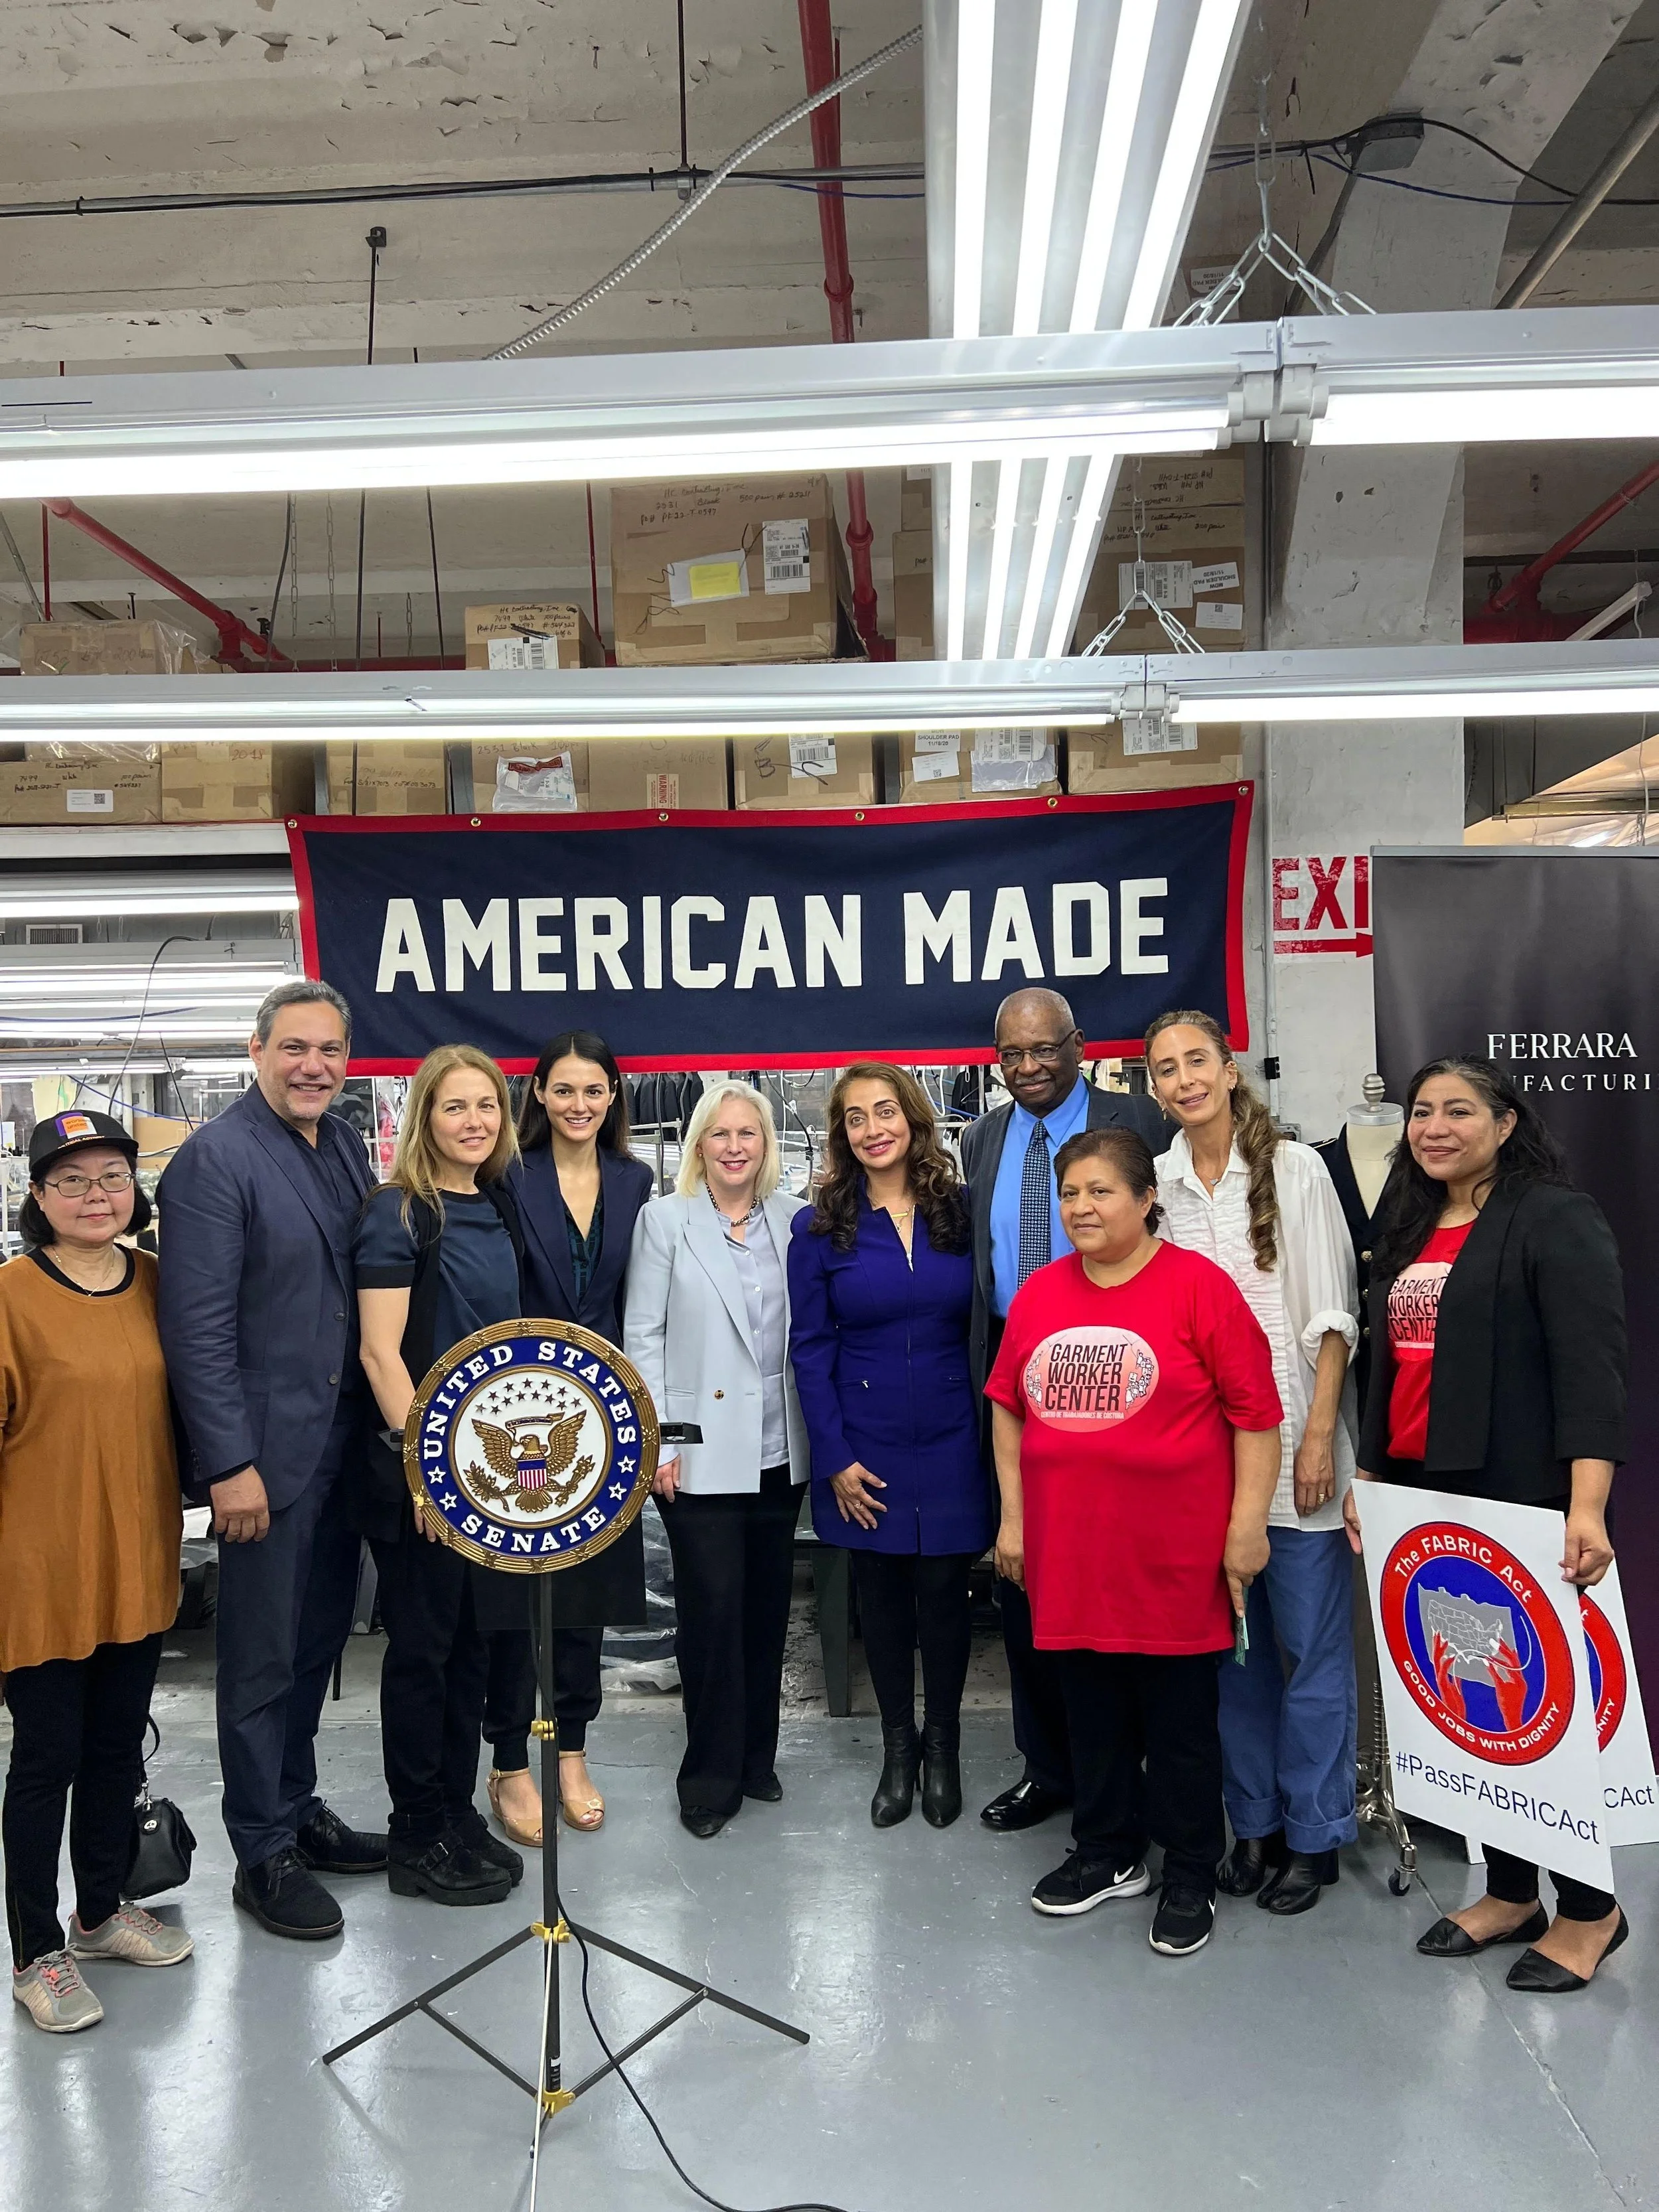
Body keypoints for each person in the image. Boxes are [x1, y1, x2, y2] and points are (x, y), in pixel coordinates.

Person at [1348, 1056, 1628, 1994]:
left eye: (1458, 1110)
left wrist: (1586, 1505)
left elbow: (1592, 1373)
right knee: (1471, 1702)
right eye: (1422, 1111)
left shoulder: (1553, 1216)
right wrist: (1370, 1476)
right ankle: (1512, 1893)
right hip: (1421, 1493)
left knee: (1543, 1705)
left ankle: (1591, 1908)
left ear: (1505, 1123)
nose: (1434, 1127)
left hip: (1520, 1492)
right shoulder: (1410, 1220)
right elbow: (1389, 1366)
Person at [985, 1127, 1282, 1957]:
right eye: (1069, 1193)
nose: (1081, 1208)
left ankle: (1189, 1869)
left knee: (1180, 1725)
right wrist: (1014, 1519)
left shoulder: (1199, 1289)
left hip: (1172, 1557)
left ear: (1147, 1200)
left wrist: (1246, 1528)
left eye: (1100, 1191)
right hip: (1070, 1553)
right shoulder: (1040, 1294)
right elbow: (1008, 1407)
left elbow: (1257, 1417)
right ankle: (1109, 1852)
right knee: (1091, 1713)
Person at [157, 980, 387, 1943]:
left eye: (329, 1050)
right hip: (265, 1456)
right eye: (294, 1047)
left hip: (341, 1443)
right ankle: (261, 1851)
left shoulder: (342, 1145)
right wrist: (228, 1464)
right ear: (256, 1051)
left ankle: (296, 1807)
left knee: (316, 1643)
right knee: (259, 1659)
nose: (313, 1067)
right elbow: (196, 1330)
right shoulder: (215, 1161)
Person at [1146, 1010, 1360, 1915]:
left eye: (1198, 1060)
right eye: (1166, 1069)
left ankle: (1315, 1837)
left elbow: (1335, 1317)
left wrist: (1318, 1437)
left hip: (1298, 1450)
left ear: (1230, 1070)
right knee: (1232, 1659)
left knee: (1310, 1652)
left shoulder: (1296, 1169)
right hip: (1205, 1468)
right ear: (1153, 1088)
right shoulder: (1154, 1185)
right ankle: (1257, 1825)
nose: (1185, 1079)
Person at [959, 986, 1169, 1834]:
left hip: (1123, 1372)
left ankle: (1132, 1769)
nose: (1028, 1067)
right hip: (1018, 1372)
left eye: (1044, 1048)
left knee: (1121, 1577)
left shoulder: (1141, 1122)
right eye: (1011, 1054)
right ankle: (1047, 1767)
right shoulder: (982, 1136)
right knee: (1022, 1579)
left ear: (1078, 1044)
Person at [2, 1112, 193, 2033]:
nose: (95, 1196)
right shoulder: (10, 1295)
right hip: (40, 1566)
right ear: (39, 1198)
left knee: (118, 1749)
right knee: (47, 1760)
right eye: (72, 1181)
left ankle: (101, 1912)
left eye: (112, 1177)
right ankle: (36, 1951)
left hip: (138, 1556)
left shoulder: (157, 1284)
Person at [788, 1065, 991, 1830]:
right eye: (855, 1118)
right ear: (841, 1134)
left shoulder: (960, 1211)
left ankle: (944, 1748)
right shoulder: (819, 1228)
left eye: (884, 1111)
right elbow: (809, 1350)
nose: (873, 1129)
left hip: (952, 1435)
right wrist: (834, 1457)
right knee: (880, 1603)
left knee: (944, 1600)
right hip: (863, 1444)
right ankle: (897, 1751)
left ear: (912, 1118)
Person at [353, 1045, 530, 1907]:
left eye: (486, 1106)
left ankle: (456, 1813)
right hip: (425, 1478)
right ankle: (415, 1835)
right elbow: (379, 1353)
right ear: (424, 1116)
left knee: (473, 1651)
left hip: (490, 1479)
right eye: (455, 1106)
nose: (474, 1121)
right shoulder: (399, 1214)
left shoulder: (498, 1205)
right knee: (424, 1654)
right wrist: (429, 1473)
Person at [624, 1082, 808, 1838]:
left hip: (779, 1447)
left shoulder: (796, 1219)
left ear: (766, 1144)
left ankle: (756, 1758)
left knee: (767, 1608)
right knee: (711, 1612)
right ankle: (707, 1778)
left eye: (748, 1133)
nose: (735, 1147)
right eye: (720, 1133)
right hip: (697, 1451)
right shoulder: (665, 1220)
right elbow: (643, 1334)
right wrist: (659, 1441)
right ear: (698, 1143)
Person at [501, 1029, 653, 1839]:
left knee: (582, 1594)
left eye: (594, 1090)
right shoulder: (507, 1173)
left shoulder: (634, 1180)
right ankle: (508, 1761)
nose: (579, 1104)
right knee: (511, 1591)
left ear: (613, 1096)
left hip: (600, 1415)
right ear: (538, 1094)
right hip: (517, 1410)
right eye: (563, 1089)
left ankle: (571, 1753)